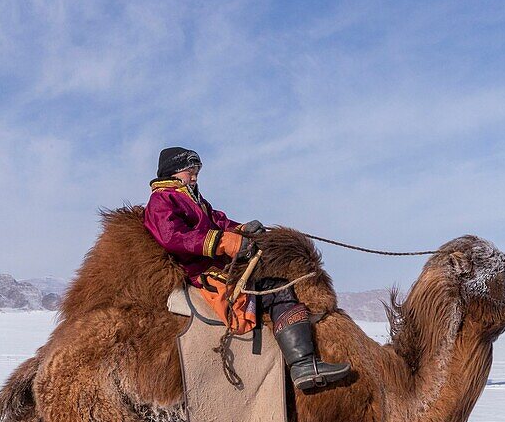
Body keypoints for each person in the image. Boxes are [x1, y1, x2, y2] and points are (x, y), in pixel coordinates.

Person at [143, 147, 350, 390]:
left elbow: (219, 221)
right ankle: (303, 365)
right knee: (276, 289)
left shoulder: (194, 198)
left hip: (217, 264)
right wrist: (224, 242)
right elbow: (173, 237)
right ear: (175, 172)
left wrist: (242, 229)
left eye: (197, 170)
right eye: (191, 171)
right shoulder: (162, 200)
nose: (195, 176)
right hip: (202, 272)